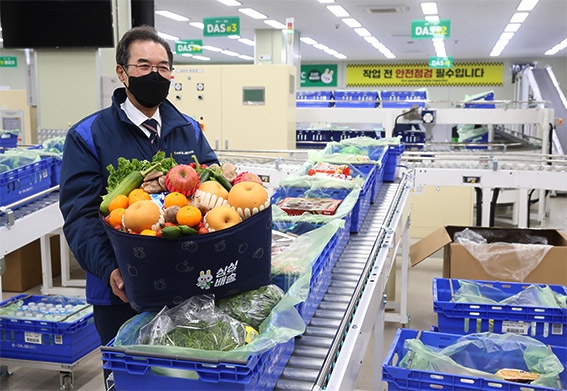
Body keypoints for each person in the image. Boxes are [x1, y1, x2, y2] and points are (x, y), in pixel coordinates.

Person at [59, 25, 218, 386]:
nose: (155, 75)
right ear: (122, 72)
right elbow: (80, 217)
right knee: (130, 380)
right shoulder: (88, 136)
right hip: (119, 292)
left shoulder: (189, 129)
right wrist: (111, 270)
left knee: (183, 379)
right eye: (144, 66)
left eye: (163, 68)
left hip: (187, 284)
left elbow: (213, 193)